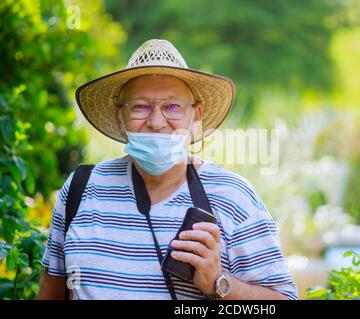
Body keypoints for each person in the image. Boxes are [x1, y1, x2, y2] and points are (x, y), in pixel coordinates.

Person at [37, 39, 298, 300]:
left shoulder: (233, 197)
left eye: (172, 106)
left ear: (195, 115)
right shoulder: (81, 188)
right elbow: (51, 294)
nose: (157, 121)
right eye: (141, 106)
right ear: (120, 115)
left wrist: (218, 282)